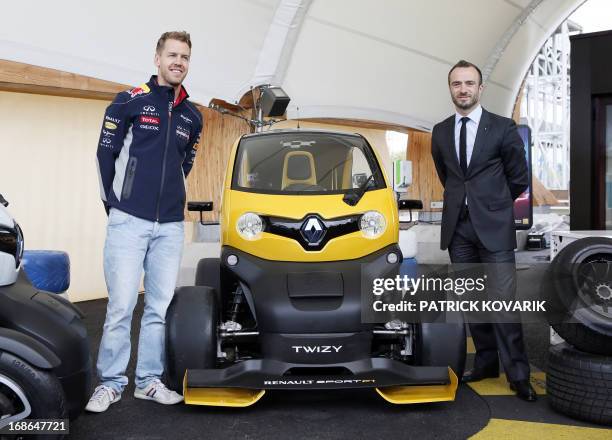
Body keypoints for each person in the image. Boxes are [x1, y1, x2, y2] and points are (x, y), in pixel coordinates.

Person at [87, 31, 203, 412]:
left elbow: (185, 164)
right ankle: (110, 382)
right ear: (157, 58)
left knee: (158, 307)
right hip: (128, 221)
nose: (178, 62)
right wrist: (116, 207)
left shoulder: (193, 116)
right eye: (172, 55)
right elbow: (106, 158)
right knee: (120, 305)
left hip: (170, 226)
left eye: (184, 57)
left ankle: (148, 381)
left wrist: (172, 203)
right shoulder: (128, 102)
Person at [430, 60, 536, 402]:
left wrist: (492, 205)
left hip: (493, 228)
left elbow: (519, 177)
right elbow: (448, 176)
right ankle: (487, 363)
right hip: (459, 232)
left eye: (469, 83)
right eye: (457, 84)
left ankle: (518, 374)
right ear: (450, 89)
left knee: (504, 303)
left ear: (480, 88)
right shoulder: (441, 131)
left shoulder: (503, 128)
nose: (463, 89)